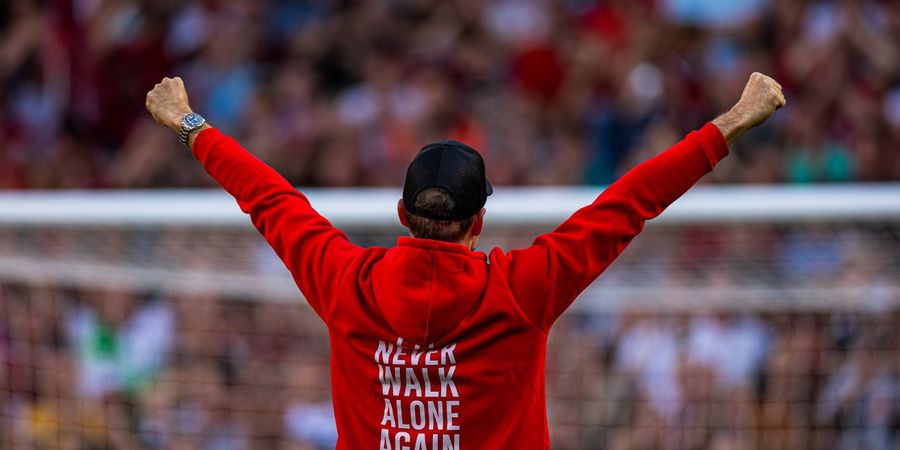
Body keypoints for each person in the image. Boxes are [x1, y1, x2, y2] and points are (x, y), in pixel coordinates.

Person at [145, 72, 785, 449]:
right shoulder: (523, 288)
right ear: (479, 222)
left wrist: (188, 122)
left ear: (401, 216)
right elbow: (627, 205)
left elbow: (267, 196)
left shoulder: (345, 281)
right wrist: (727, 123)